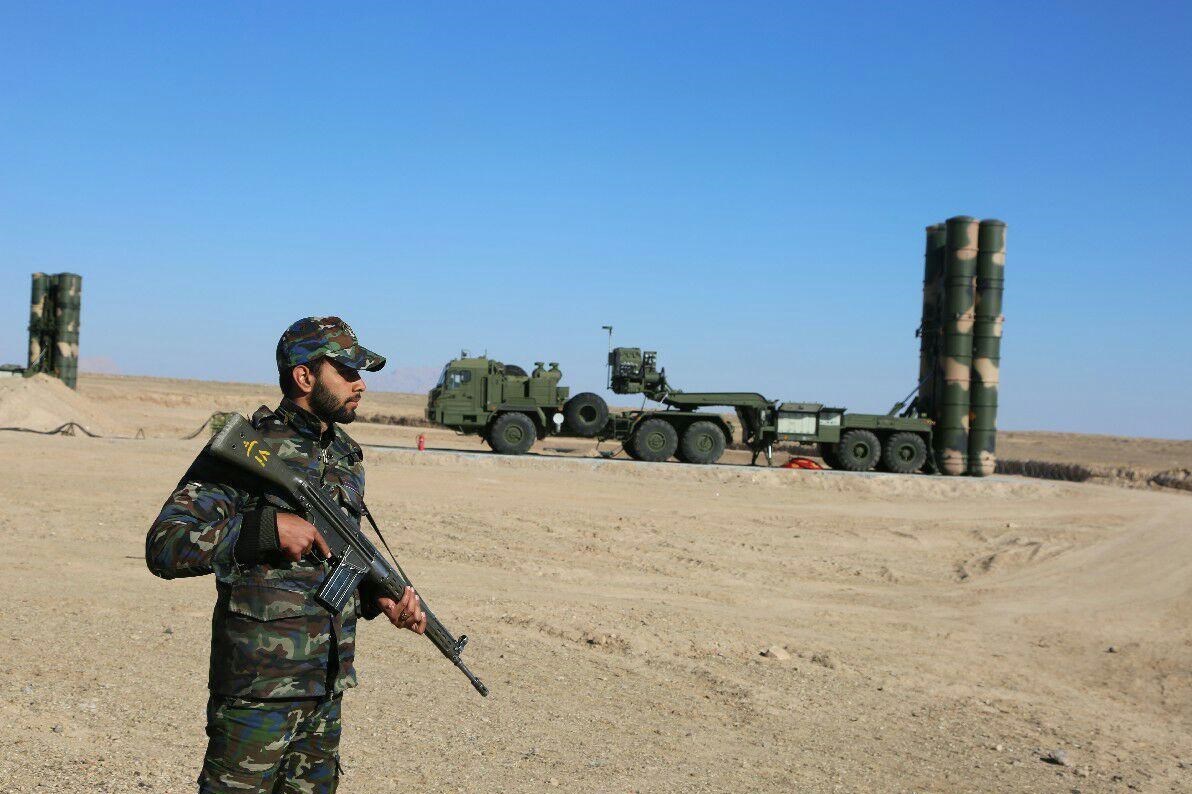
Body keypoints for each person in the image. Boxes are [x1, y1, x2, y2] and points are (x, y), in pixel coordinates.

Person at [146, 316, 425, 794]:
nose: (360, 384)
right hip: (257, 688)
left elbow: (330, 561)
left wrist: (377, 599)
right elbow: (165, 545)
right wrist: (263, 530)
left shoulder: (346, 455)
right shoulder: (250, 449)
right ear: (304, 376)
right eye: (347, 372)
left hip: (325, 686)